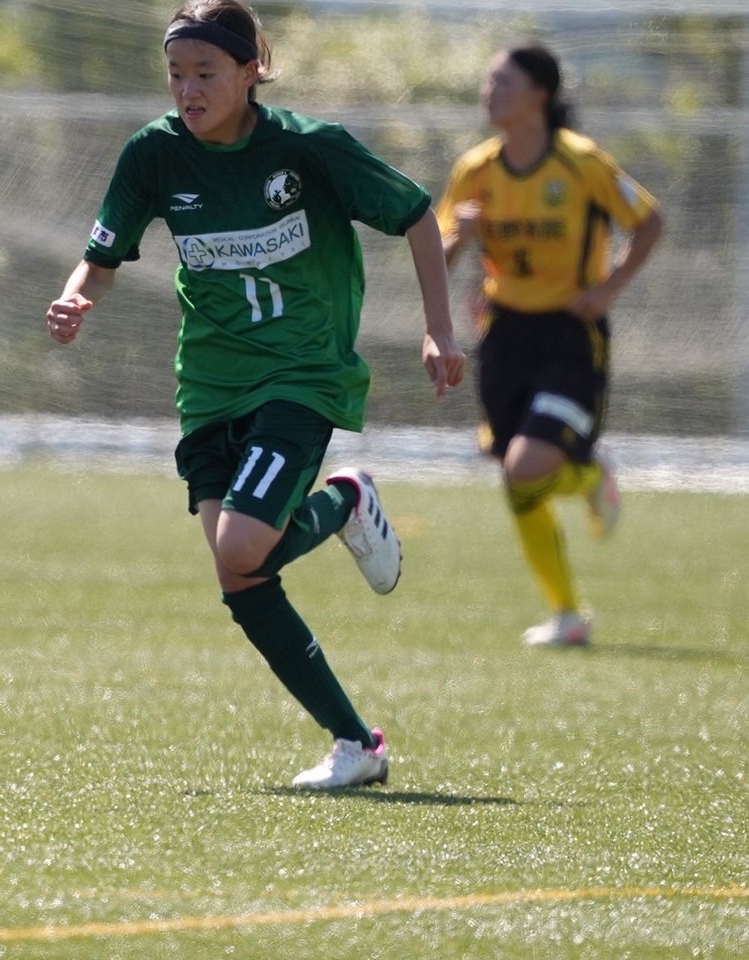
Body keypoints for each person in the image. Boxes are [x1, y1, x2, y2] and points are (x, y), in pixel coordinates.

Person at [45, 0, 466, 788]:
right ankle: (357, 746)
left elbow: (415, 216)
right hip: (208, 385)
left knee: (242, 547)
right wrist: (79, 298)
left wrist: (439, 330)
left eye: (205, 73)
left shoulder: (308, 150)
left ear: (250, 72)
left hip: (302, 376)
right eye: (176, 74)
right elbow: (102, 256)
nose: (188, 89)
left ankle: (341, 503)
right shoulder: (154, 156)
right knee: (239, 576)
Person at [437, 43, 663, 648]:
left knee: (526, 466)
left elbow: (649, 221)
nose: (490, 92)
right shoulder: (476, 169)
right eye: (488, 82)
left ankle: (589, 475)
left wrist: (609, 288)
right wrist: (465, 236)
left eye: (501, 82)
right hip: (505, 335)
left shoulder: (580, 162)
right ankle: (567, 614)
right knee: (517, 481)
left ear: (539, 94)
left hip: (569, 335)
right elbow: (437, 254)